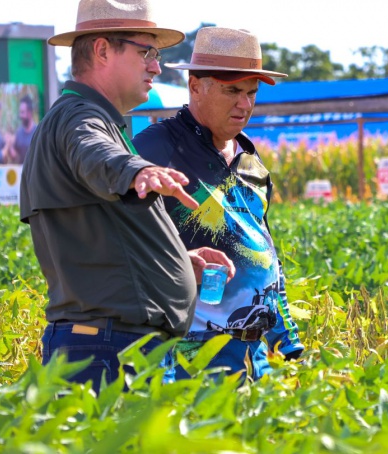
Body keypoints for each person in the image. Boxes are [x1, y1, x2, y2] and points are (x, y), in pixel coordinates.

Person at [19, 0, 232, 393]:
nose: (156, 66)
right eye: (146, 52)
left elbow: (100, 240)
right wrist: (138, 169)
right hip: (107, 351)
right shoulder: (80, 118)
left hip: (111, 344)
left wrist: (177, 262)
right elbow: (96, 153)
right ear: (102, 50)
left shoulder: (92, 119)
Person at [133, 26, 304, 382]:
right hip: (189, 354)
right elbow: (123, 245)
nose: (244, 105)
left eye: (251, 93)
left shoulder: (251, 163)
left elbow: (267, 257)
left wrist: (288, 344)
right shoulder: (155, 149)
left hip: (256, 355)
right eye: (232, 91)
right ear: (195, 85)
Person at [8, 94, 37, 164]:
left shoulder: (38, 133)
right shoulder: (19, 133)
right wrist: (9, 146)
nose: (20, 115)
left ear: (30, 113)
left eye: (22, 112)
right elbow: (14, 157)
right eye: (20, 112)